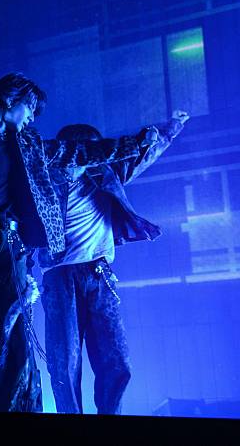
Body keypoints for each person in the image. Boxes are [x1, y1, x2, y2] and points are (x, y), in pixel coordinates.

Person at [0, 72, 158, 412]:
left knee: (14, 334)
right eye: (30, 108)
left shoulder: (29, 145)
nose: (32, 117)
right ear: (10, 99)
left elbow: (79, 152)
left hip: (6, 244)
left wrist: (135, 143)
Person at [41, 111, 188, 414]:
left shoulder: (105, 175)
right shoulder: (45, 181)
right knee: (65, 361)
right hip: (60, 277)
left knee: (116, 360)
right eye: (92, 151)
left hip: (98, 274)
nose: (97, 158)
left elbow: (142, 156)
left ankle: (111, 419)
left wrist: (171, 128)